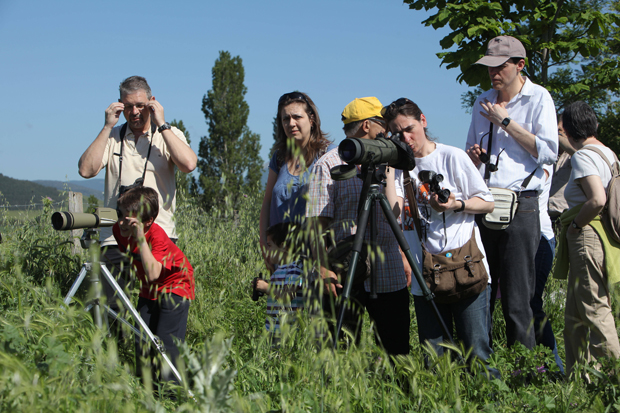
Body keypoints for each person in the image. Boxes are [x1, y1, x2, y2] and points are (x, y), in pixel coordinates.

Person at [383, 98, 497, 376]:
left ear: (423, 120)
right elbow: (395, 212)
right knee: (434, 361)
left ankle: (492, 403)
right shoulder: (399, 169)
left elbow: (487, 202)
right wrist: (388, 166)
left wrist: (456, 205)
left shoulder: (451, 156)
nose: (406, 138)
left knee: (477, 354)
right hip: (426, 277)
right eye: (397, 134)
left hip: (465, 269)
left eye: (409, 128)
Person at [465, 36, 558, 349]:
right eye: (489, 66)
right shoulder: (482, 101)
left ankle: (524, 373)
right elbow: (470, 155)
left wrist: (504, 121)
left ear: (520, 65)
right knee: (481, 289)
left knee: (518, 298)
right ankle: (482, 368)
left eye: (500, 66)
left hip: (522, 204)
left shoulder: (538, 98)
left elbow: (547, 152)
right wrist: (475, 157)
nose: (493, 73)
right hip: (487, 201)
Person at [78, 76, 197, 321]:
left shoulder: (168, 133)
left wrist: (162, 124)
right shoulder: (112, 137)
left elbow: (188, 164)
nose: (135, 112)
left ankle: (151, 354)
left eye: (141, 105)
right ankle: (113, 355)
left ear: (152, 103)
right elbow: (85, 170)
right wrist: (106, 127)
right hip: (115, 235)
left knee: (154, 310)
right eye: (128, 106)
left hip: (158, 232)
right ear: (120, 106)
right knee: (110, 309)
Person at [306, 97, 410, 356]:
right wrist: (321, 268)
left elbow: (393, 213)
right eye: (382, 126)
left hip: (388, 267)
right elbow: (316, 224)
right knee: (340, 349)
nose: (387, 133)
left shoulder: (387, 162)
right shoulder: (330, 164)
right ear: (367, 126)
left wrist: (402, 255)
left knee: (396, 349)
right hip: (346, 272)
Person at [552, 101, 620, 377]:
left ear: (567, 130)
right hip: (603, 235)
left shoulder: (583, 156)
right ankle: (580, 377)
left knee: (594, 309)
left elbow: (597, 199)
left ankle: (615, 378)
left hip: (588, 234)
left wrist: (576, 226)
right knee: (575, 316)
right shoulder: (608, 153)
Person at [113, 186, 195, 383]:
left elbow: (152, 273)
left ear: (148, 221)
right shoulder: (118, 230)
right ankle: (146, 390)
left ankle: (171, 394)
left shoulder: (157, 236)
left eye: (129, 218)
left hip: (176, 283)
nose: (122, 222)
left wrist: (141, 239)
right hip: (149, 288)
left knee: (167, 340)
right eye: (120, 214)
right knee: (142, 338)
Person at [260, 92, 332, 273]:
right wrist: (264, 244)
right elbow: (267, 201)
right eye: (285, 119)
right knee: (284, 301)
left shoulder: (328, 154)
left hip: (318, 258)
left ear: (312, 119)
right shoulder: (279, 158)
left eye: (297, 117)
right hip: (282, 257)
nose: (291, 123)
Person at [253, 223, 305, 338]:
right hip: (273, 329)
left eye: (270, 245)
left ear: (283, 246)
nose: (268, 250)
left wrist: (266, 288)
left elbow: (287, 297)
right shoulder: (279, 270)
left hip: (288, 333)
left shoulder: (296, 270)